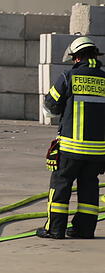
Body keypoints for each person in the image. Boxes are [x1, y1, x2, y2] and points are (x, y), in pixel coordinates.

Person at [37, 36, 105, 239]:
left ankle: (55, 229)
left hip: (70, 149)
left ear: (76, 58)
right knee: (89, 188)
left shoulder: (69, 77)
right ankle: (84, 230)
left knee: (61, 185)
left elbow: (50, 106)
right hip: (98, 152)